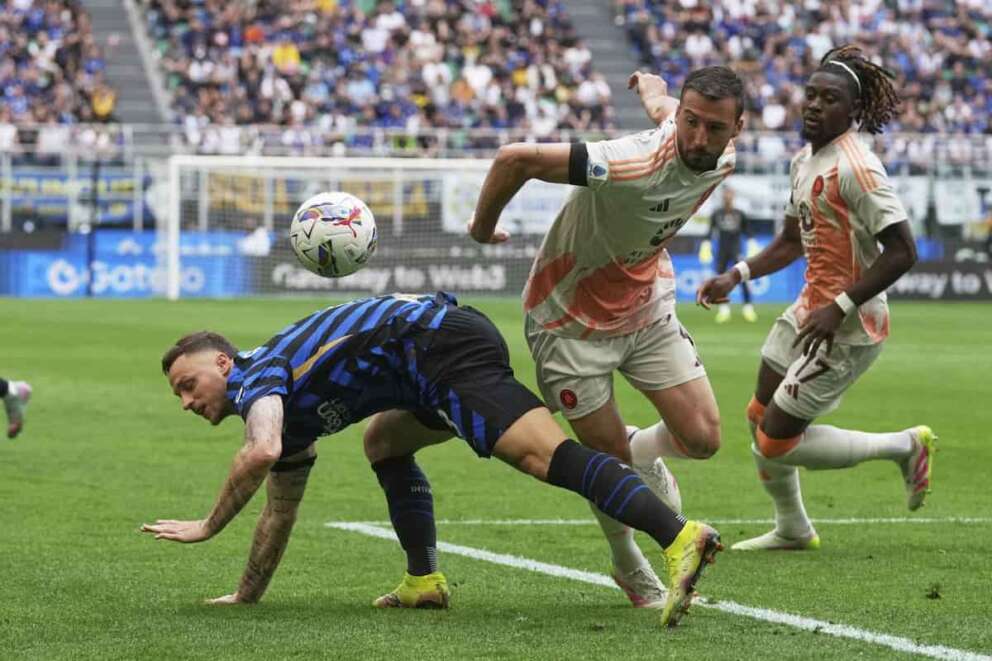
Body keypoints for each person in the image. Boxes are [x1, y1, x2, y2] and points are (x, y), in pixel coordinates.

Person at [141, 292, 722, 627]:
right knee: (383, 442)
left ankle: (680, 536)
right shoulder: (282, 401)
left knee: (543, 459)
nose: (188, 402)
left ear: (222, 364)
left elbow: (260, 450)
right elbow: (280, 506)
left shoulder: (258, 373)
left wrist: (207, 526)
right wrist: (247, 594)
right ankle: (424, 581)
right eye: (178, 396)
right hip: (428, 359)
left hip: (434, 346)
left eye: (189, 384)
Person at [462, 67, 740, 607]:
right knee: (605, 459)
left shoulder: (720, 156)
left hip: (645, 302)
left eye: (714, 128)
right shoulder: (628, 162)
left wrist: (651, 90)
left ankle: (632, 448)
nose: (699, 138)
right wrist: (480, 228)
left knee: (703, 438)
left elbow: (664, 110)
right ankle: (629, 566)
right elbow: (513, 159)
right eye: (691, 123)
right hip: (569, 319)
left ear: (737, 129)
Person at [697, 46, 935, 551]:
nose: (813, 106)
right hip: (809, 309)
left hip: (849, 325)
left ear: (853, 111)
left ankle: (905, 446)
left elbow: (903, 251)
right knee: (758, 414)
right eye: (810, 95)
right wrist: (735, 274)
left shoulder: (859, 168)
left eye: (830, 99)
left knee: (776, 440)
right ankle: (793, 528)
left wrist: (840, 307)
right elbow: (789, 241)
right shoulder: (804, 160)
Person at [706, 186, 757, 323]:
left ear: (733, 196)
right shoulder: (717, 214)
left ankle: (748, 308)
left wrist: (752, 244)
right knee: (720, 279)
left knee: (743, 278)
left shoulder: (739, 214)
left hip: (736, 251)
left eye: (730, 194)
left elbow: (748, 231)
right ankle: (724, 310)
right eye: (725, 194)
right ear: (723, 197)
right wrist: (705, 245)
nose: (727, 197)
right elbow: (710, 231)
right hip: (722, 252)